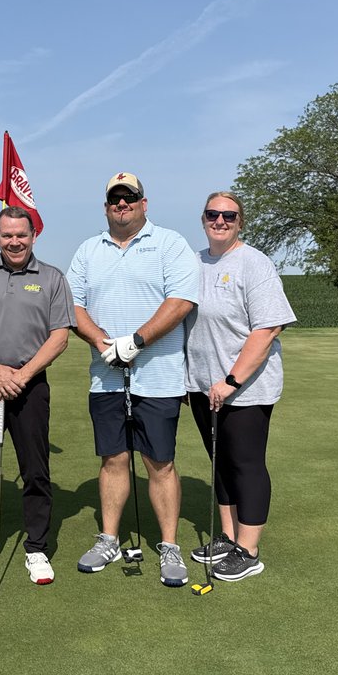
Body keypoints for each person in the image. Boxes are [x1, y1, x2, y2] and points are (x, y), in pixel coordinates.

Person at [67, 173, 200, 587]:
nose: (121, 204)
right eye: (115, 199)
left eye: (130, 197)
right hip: (106, 377)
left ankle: (170, 545)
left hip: (159, 378)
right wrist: (101, 341)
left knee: (160, 462)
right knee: (113, 459)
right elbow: (73, 306)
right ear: (106, 206)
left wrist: (137, 341)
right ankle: (108, 538)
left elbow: (180, 301)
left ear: (144, 203)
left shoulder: (170, 243)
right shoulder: (88, 250)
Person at [0, 206, 74, 586]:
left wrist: (20, 375)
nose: (15, 241)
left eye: (21, 234)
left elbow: (59, 336)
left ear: (33, 235)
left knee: (35, 467)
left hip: (30, 382)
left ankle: (36, 548)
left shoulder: (52, 277)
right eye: (7, 235)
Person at [184, 191, 296, 580]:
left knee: (246, 464)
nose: (220, 221)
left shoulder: (254, 263)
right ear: (203, 219)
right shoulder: (194, 263)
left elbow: (268, 328)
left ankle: (248, 551)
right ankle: (229, 538)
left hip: (246, 388)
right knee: (221, 462)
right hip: (202, 386)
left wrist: (231, 381)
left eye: (229, 216)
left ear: (240, 222)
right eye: (213, 214)